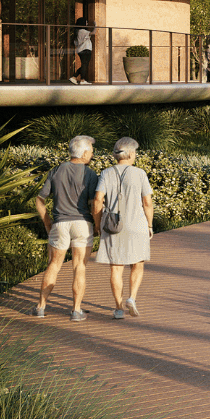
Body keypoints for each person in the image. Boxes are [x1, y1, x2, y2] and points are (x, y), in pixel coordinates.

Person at [34, 135, 100, 319]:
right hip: (82, 223)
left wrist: (48, 222)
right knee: (79, 266)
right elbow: (94, 203)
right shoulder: (90, 174)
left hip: (60, 223)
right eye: (91, 151)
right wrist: (97, 225)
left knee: (54, 265)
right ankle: (76, 310)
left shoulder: (56, 170)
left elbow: (40, 199)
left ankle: (40, 307)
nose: (92, 154)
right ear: (84, 153)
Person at [91, 137, 154, 320]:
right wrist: (150, 224)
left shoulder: (106, 173)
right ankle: (132, 298)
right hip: (137, 224)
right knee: (138, 263)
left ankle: (118, 308)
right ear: (131, 154)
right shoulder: (140, 173)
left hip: (113, 226)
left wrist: (98, 224)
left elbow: (98, 200)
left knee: (116, 268)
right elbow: (147, 202)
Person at [71, 16, 94, 84]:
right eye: (86, 22)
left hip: (80, 50)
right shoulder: (83, 31)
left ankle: (75, 77)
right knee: (85, 65)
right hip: (86, 49)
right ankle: (82, 80)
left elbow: (76, 43)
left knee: (84, 65)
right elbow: (93, 33)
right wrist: (95, 26)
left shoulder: (77, 32)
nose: (87, 23)